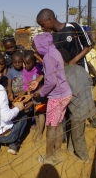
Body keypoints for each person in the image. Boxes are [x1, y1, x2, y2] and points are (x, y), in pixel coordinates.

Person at [36, 8, 96, 127]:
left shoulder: (73, 26)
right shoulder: (51, 38)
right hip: (65, 73)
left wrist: (74, 60)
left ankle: (93, 116)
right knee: (71, 98)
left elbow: (89, 45)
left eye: (42, 25)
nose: (42, 28)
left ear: (50, 20)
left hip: (80, 69)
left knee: (85, 95)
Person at [32, 32, 72, 165]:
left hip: (56, 96)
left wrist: (40, 92)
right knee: (58, 124)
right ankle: (58, 153)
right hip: (65, 93)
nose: (35, 50)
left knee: (50, 127)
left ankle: (48, 157)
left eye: (35, 47)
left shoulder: (48, 57)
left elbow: (51, 81)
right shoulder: (55, 52)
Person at [59, 48, 96, 163]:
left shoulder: (63, 75)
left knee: (77, 134)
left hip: (77, 109)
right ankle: (71, 149)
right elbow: (90, 81)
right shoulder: (79, 68)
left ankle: (84, 157)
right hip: (87, 104)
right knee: (76, 129)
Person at [20, 50, 47, 142]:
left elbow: (44, 81)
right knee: (35, 113)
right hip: (32, 95)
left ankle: (40, 132)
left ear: (34, 61)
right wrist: (23, 93)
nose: (26, 65)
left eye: (28, 63)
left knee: (40, 113)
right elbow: (25, 84)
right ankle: (38, 129)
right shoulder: (25, 70)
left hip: (41, 93)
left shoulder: (39, 68)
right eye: (25, 63)